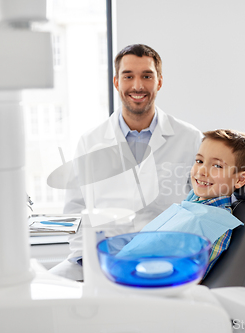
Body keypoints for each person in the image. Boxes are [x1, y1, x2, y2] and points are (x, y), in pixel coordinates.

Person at [50, 44, 203, 281]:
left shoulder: (190, 138)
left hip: (165, 260)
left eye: (147, 76)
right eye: (128, 76)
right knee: (42, 292)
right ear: (116, 82)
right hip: (102, 260)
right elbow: (75, 210)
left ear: (159, 82)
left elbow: (201, 206)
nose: (138, 86)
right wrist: (88, 260)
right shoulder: (90, 141)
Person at [120, 129, 245, 278]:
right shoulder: (193, 205)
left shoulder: (212, 223)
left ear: (240, 179)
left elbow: (183, 278)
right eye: (199, 161)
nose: (202, 171)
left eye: (217, 166)